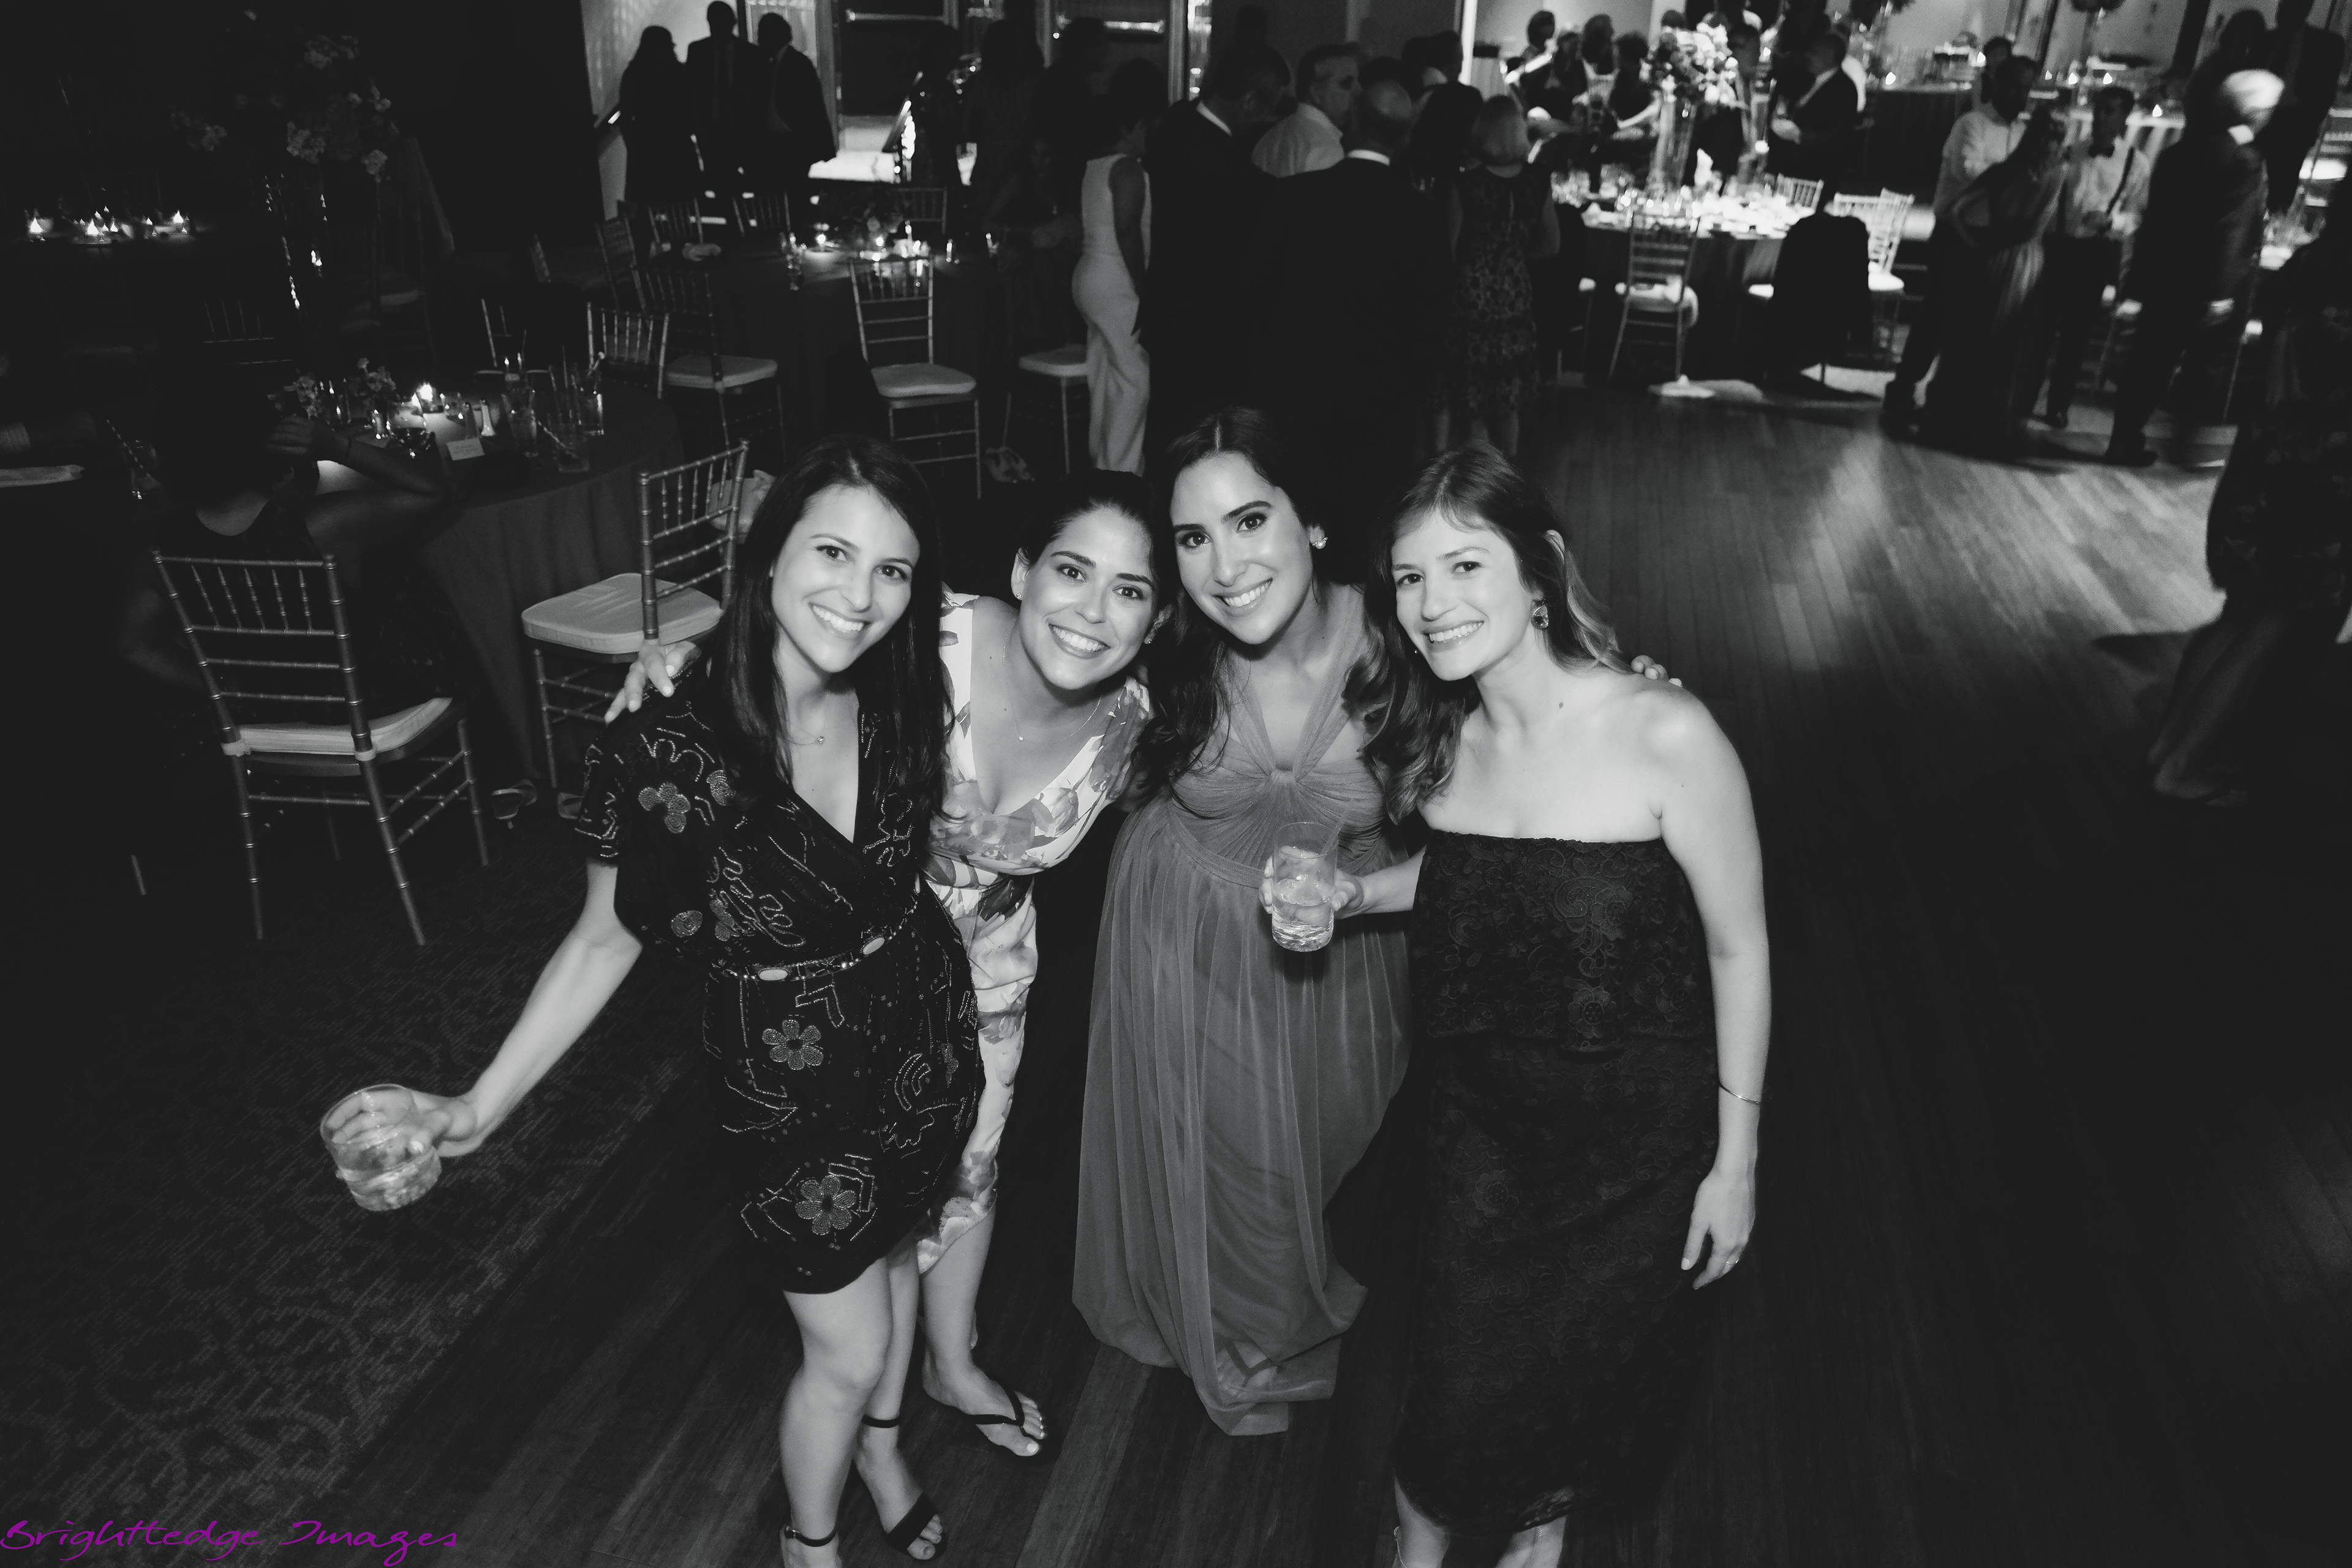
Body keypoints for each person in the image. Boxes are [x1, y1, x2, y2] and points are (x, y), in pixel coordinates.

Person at [408, 435, 975, 1568]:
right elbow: (603, 936)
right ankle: (809, 1543)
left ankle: (881, 1453)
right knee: (850, 1350)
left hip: (919, 1030)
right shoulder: (661, 744)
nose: (860, 596)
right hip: (789, 1086)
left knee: (901, 1253)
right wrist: (478, 1106)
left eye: (893, 570)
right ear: (765, 556)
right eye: (832, 552)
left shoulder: (901, 683)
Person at [617, 468, 1174, 1464]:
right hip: (851, 983)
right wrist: (684, 660)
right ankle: (869, 1417)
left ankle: (952, 1363)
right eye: (1071, 571)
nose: (1093, 611)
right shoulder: (928, 636)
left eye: (1129, 590)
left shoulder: (1132, 722)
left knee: (973, 1166)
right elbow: (798, 633)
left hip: (990, 976)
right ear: (1022, 571)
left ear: (1157, 618)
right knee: (863, 1207)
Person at [1340, 444, 1765, 1568]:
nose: (1433, 603)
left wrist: (1735, 1164)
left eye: (1465, 566)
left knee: (1577, 1389)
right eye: (1410, 577)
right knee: (1453, 1400)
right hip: (1480, 1140)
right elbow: (1485, 881)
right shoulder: (1442, 743)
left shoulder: (1666, 734)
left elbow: (1741, 948)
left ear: (1540, 574)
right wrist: (1352, 896)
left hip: (1636, 1159)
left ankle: (1541, 1543)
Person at [1072, 409, 1414, 1436]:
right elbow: (1022, 642)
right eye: (1192, 538)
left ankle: (1252, 1306)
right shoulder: (1163, 649)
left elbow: (1509, 808)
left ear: (1314, 523)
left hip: (1354, 938)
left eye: (1251, 520)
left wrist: (1622, 701)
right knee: (1231, 1157)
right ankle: (1240, 1330)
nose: (1224, 568)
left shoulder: (1405, 638)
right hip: (1186, 927)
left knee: (1316, 1144)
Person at [118, 364, 532, 814]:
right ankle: (498, 757)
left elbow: (133, 645)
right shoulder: (323, 524)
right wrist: (336, 446)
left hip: (263, 709)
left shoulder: (157, 549)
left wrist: (222, 686)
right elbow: (435, 492)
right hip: (363, 702)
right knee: (400, 574)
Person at [2146, 216, 2351, 803]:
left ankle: (2166, 747)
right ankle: (2181, 768)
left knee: (2238, 616)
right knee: (2268, 627)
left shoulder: (2311, 263)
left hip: (2261, 464)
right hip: (2316, 483)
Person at [1261, 76, 1452, 570]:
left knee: (1293, 526)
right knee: (1368, 536)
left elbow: (1260, 299)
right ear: (1405, 137)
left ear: (1350, 123)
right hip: (1380, 405)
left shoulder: (1292, 199)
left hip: (1296, 394)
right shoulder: (1423, 217)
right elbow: (1431, 327)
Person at [2104, 70, 2278, 467]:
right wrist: (2221, 292)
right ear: (2255, 114)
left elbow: (2154, 223)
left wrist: (2138, 282)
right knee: (2206, 364)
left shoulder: (2177, 153)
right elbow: (2230, 229)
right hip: (2206, 283)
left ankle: (2123, 439)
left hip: (2164, 277)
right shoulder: (2245, 160)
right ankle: (2188, 447)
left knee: (2149, 361)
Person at [1140, 46, 1284, 458]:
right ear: (1249, 100)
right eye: (1268, 108)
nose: (1268, 120)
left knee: (1179, 435)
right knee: (1196, 441)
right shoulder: (1210, 153)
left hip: (1176, 316)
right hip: (1200, 326)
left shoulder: (1179, 124)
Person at [1885, 55, 2037, 423]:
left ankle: (1946, 397)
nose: (2019, 95)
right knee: (1937, 315)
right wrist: (2016, 175)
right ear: (1997, 84)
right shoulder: (1972, 124)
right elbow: (1968, 171)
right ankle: (1903, 387)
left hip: (1995, 241)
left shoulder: (2024, 133)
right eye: (2013, 86)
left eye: (2026, 89)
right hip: (1955, 236)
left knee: (1973, 323)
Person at [1919, 104, 2068, 456]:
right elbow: (2039, 225)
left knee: (1974, 343)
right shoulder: (2057, 173)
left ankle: (1957, 420)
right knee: (2009, 350)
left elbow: (1955, 211)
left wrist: (1977, 242)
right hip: (2027, 263)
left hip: (1991, 261)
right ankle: (1990, 426)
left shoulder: (2004, 171)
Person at [1442, 98, 1562, 458]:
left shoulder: (1466, 185)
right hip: (1514, 290)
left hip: (1471, 293)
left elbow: (1449, 250)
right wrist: (1515, 257)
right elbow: (1553, 245)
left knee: (1475, 397)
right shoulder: (1537, 182)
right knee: (1508, 396)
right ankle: (1506, 470)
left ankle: (1479, 476)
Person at [2036, 86, 2151, 429]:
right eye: (2098, 109)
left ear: (2124, 118)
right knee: (2040, 328)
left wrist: (2111, 221)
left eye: (2110, 111)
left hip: (2094, 253)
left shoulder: (2136, 163)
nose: (2101, 117)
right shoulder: (2071, 152)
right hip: (2057, 247)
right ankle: (2023, 396)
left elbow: (2137, 215)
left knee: (2076, 335)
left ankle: (2058, 406)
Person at [1074, 93, 1155, 473]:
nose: (1148, 134)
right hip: (1113, 277)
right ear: (1127, 129)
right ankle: (1122, 472)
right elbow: (1127, 229)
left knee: (1105, 371)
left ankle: (1103, 460)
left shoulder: (1094, 166)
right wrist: (1142, 283)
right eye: (1143, 127)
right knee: (1135, 376)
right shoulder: (1126, 168)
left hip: (1088, 274)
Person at [2255, 0, 2344, 211]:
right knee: (2245, 179)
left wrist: (2308, 124)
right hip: (2259, 120)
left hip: (2294, 124)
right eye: (2282, 7)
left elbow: (2326, 90)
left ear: (2305, 10)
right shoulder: (2267, 40)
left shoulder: (2326, 44)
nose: (2282, 13)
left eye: (2289, 8)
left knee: (2282, 187)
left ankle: (2275, 221)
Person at [965, 20, 1043, 239]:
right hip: (1022, 165)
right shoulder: (1032, 86)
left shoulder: (978, 84)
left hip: (988, 165)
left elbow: (966, 130)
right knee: (1022, 231)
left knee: (984, 232)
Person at [684, 1, 764, 202]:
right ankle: (738, 219)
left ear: (732, 23)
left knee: (759, 186)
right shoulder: (698, 51)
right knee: (725, 191)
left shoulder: (750, 53)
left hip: (745, 130)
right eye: (715, 24)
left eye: (722, 24)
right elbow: (692, 95)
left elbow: (761, 94)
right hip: (714, 132)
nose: (719, 30)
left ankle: (749, 218)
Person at [1254, 43, 1365, 178]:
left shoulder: (1269, 139)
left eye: (1359, 82)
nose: (1359, 91)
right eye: (1346, 84)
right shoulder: (1325, 149)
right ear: (1316, 93)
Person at [762, 16, 835, 216]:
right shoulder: (777, 63)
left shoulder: (796, 63)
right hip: (781, 141)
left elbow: (809, 107)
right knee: (787, 196)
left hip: (792, 142)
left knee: (793, 196)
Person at [1766, 26, 1860, 183]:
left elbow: (1837, 136)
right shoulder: (1806, 78)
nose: (1808, 55)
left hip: (1815, 170)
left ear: (1830, 56)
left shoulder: (1844, 89)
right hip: (1787, 164)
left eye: (1814, 52)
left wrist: (1800, 135)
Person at [619, 26, 699, 207]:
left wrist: (634, 150)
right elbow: (692, 108)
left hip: (649, 145)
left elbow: (626, 117)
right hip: (677, 143)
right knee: (681, 202)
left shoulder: (635, 74)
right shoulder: (680, 72)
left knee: (650, 202)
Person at [1038, 17, 1114, 205]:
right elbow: (1072, 139)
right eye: (1101, 43)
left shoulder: (1062, 76)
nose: (1107, 50)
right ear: (1086, 48)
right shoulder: (1071, 84)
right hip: (1061, 179)